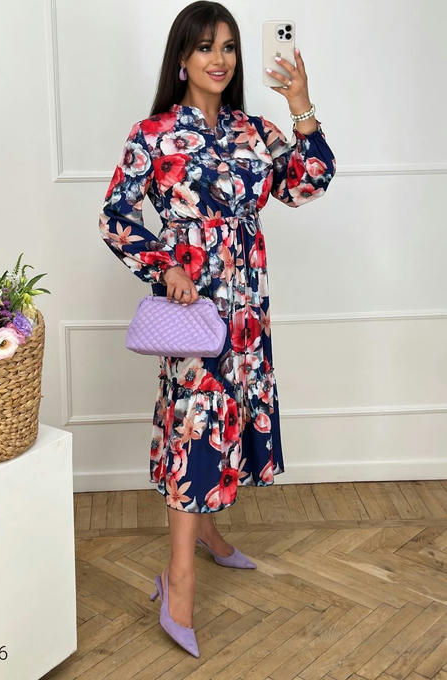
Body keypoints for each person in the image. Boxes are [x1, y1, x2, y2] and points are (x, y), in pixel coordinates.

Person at [98, 0, 336, 658]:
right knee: (195, 428)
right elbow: (115, 216)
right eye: (205, 46)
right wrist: (166, 265)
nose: (220, 58)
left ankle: (205, 532)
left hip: (248, 309)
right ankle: (177, 582)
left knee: (229, 420)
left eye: (228, 46)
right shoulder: (152, 134)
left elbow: (308, 184)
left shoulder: (256, 131)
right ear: (182, 57)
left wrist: (300, 103)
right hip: (191, 310)